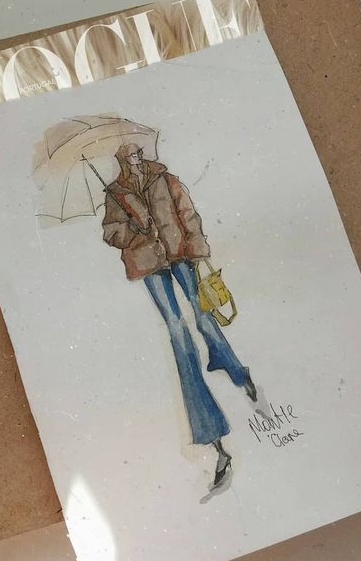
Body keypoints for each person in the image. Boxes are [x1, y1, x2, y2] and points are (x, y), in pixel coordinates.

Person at [102, 142, 256, 487]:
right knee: (177, 332)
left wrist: (198, 248)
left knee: (203, 315)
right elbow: (111, 232)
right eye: (129, 157)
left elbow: (187, 211)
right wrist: (132, 229)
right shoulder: (115, 193)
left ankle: (232, 367)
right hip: (148, 263)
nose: (136, 160)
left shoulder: (164, 178)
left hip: (180, 254)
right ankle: (210, 430)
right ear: (122, 162)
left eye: (138, 154)